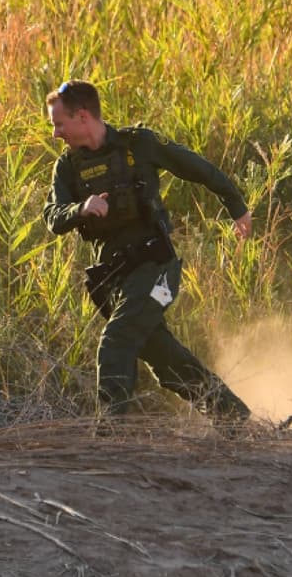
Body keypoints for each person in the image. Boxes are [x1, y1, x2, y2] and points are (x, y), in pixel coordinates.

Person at [42, 79, 252, 424]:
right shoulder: (67, 167)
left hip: (156, 268)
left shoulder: (139, 145)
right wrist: (80, 208)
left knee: (116, 341)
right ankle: (233, 417)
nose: (55, 134)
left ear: (82, 117)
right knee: (164, 358)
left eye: (58, 124)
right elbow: (53, 216)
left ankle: (109, 435)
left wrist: (236, 206)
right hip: (114, 280)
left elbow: (197, 168)